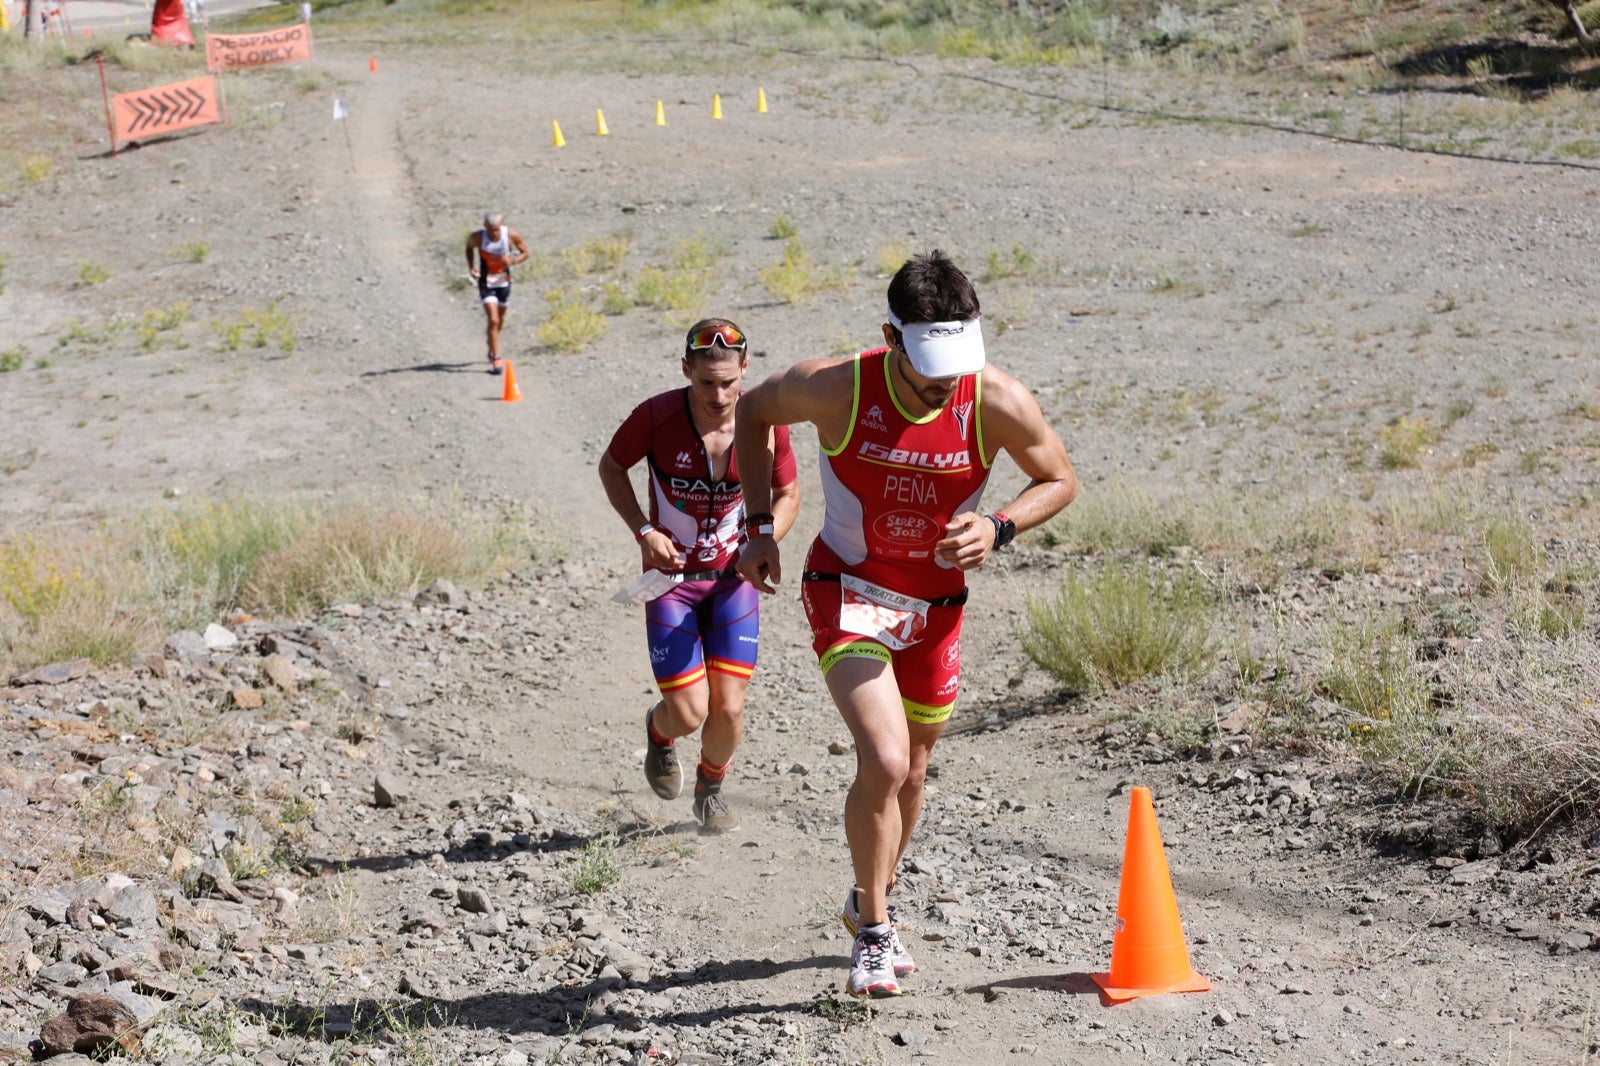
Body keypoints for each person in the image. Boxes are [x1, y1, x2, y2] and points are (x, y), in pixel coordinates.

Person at [734, 250, 1077, 997]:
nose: (943, 384)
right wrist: (759, 525)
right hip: (847, 587)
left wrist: (1001, 524)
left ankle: (867, 898)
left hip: (938, 608)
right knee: (886, 761)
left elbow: (1060, 477)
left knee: (915, 771)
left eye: (955, 365)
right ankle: (877, 934)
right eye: (927, 368)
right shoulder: (834, 387)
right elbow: (753, 413)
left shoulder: (995, 399)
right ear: (890, 338)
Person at [599, 319, 801, 833]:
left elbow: (789, 495)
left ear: (744, 370)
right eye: (706, 382)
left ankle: (710, 788)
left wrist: (765, 539)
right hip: (671, 583)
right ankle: (659, 733)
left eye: (729, 382)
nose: (719, 395)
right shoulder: (656, 415)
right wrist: (643, 530)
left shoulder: (764, 422)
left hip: (733, 582)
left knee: (728, 709)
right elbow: (611, 467)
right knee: (688, 714)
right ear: (686, 369)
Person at [464, 212, 530, 375]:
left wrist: (513, 260)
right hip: (486, 282)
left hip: (504, 282)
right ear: (485, 227)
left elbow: (525, 253)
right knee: (493, 319)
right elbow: (469, 248)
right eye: (491, 229)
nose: (495, 233)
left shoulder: (511, 235)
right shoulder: (478, 237)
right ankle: (496, 358)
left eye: (497, 229)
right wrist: (472, 266)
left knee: (499, 320)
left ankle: (491, 341)